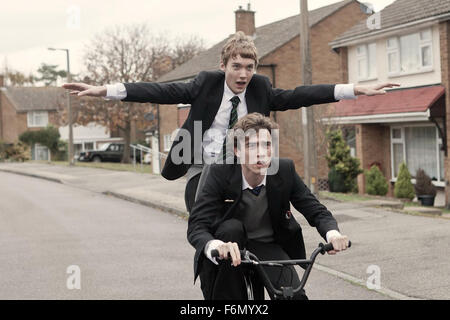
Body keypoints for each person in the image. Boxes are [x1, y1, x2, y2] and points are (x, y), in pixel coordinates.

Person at [62, 31, 399, 213]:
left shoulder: (261, 87)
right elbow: (159, 90)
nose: (243, 74)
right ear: (224, 65)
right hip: (200, 164)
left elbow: (300, 95)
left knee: (258, 222)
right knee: (206, 218)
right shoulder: (205, 83)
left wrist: (355, 89)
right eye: (236, 66)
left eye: (249, 67)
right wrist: (103, 90)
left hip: (243, 168)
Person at [187, 112, 349, 300]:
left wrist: (333, 234)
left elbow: (315, 210)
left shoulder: (284, 170)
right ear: (237, 151)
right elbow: (197, 225)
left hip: (268, 246)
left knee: (293, 297)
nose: (260, 152)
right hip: (229, 248)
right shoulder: (220, 173)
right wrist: (216, 245)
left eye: (266, 145)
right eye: (251, 146)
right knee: (232, 229)